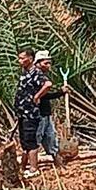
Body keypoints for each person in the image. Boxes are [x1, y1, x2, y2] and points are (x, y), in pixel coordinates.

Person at [15, 48, 44, 177]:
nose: (20, 61)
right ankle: (23, 167)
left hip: (30, 113)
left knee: (31, 141)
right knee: (24, 141)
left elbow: (47, 84)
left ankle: (34, 169)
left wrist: (37, 96)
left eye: (22, 58)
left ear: (30, 59)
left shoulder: (36, 73)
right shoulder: (24, 73)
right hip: (22, 113)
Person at [33, 52, 64, 168]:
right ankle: (31, 167)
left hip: (46, 114)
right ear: (38, 63)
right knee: (35, 142)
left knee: (51, 139)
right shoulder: (35, 77)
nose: (48, 66)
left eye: (49, 63)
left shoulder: (43, 77)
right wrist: (60, 93)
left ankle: (59, 165)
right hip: (38, 115)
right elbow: (43, 95)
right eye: (46, 63)